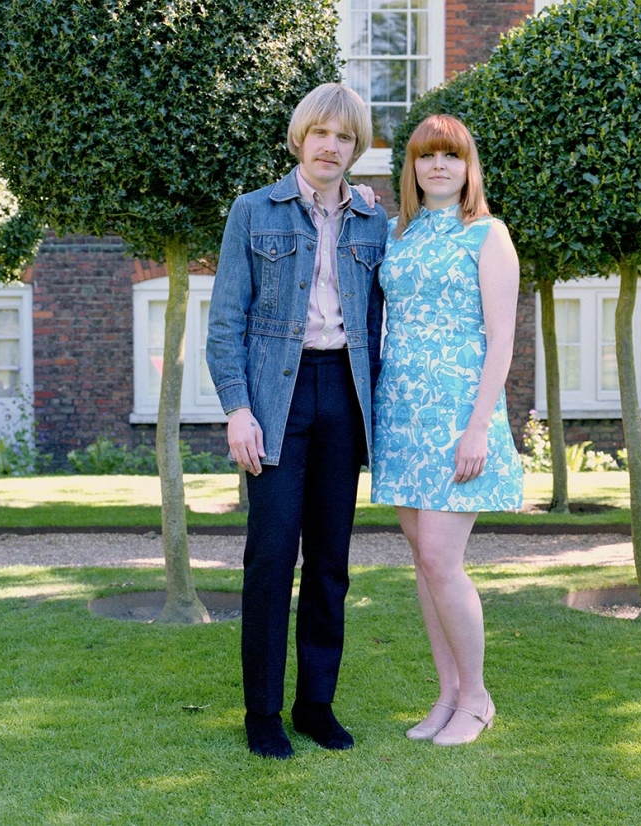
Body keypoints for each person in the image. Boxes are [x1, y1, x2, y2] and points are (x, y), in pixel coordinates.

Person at [206, 83, 387, 760]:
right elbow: (225, 323)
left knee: (330, 563)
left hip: (344, 393)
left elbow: (382, 318)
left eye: (344, 137)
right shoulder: (253, 212)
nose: (330, 147)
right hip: (275, 399)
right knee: (271, 557)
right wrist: (238, 410)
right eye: (320, 133)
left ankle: (315, 705)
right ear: (299, 138)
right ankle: (262, 713)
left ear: (355, 148)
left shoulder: (373, 221)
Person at [370, 114, 524, 747]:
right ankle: (448, 695)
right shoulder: (395, 233)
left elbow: (502, 339)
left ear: (468, 167)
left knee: (441, 558)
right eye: (426, 156)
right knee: (424, 563)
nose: (438, 165)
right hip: (401, 414)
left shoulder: (487, 234)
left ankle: (478, 698)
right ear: (411, 167)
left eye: (451, 156)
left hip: (458, 415)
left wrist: (477, 428)